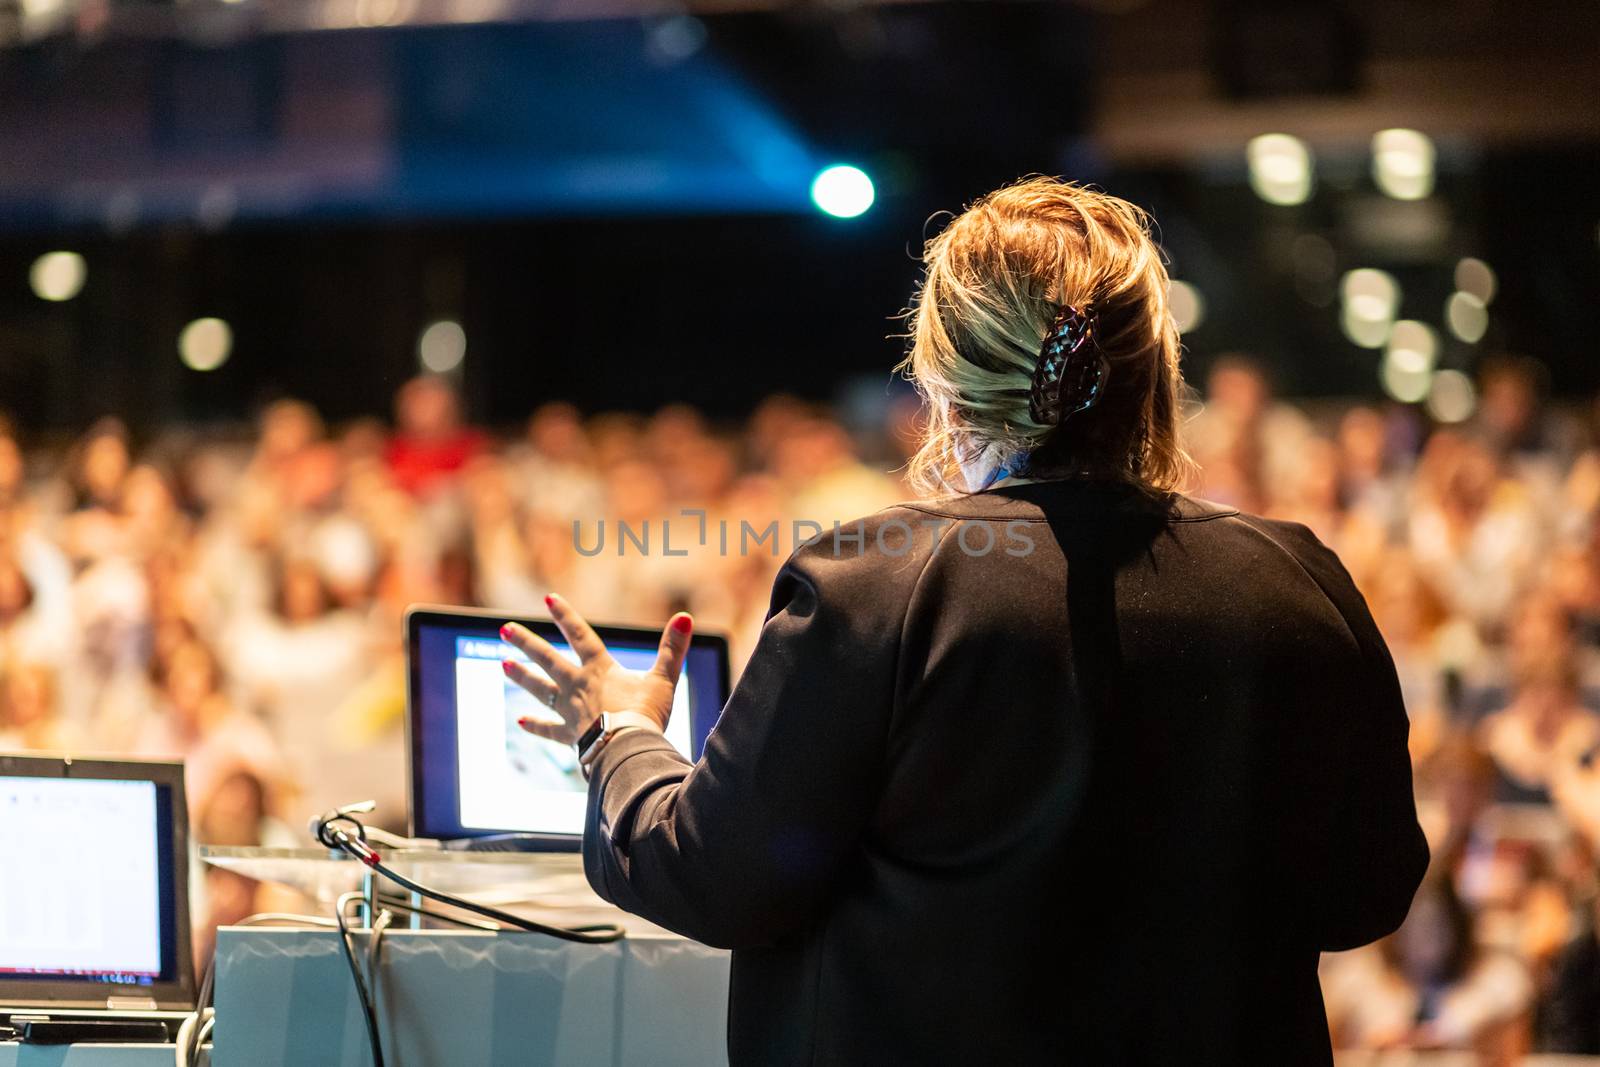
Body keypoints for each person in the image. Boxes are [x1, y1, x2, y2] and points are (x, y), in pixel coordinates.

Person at [493, 179, 1434, 1063]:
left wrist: (616, 731)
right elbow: (1370, 888)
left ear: (942, 383)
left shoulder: (873, 585)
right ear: (1156, 375)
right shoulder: (1298, 580)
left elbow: (714, 872)